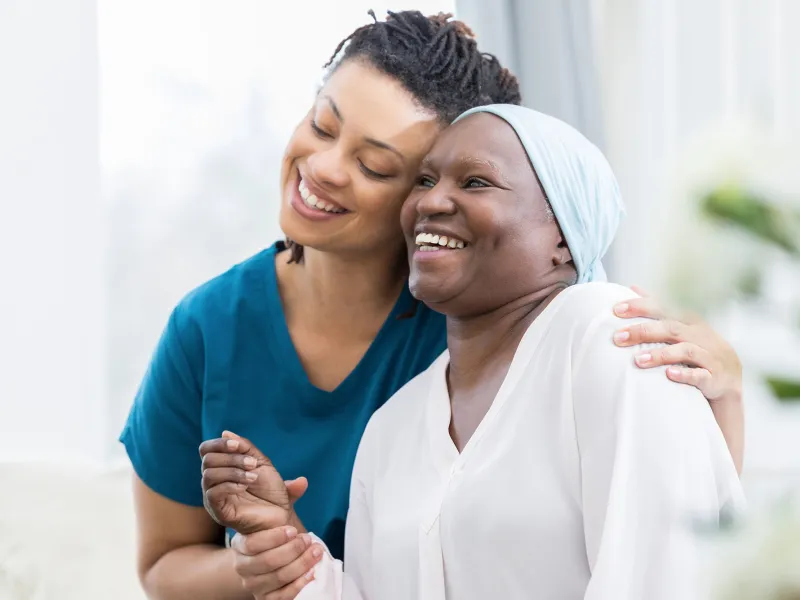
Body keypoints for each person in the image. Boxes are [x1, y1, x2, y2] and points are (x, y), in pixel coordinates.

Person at [122, 11, 743, 600]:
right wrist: (273, 548)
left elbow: (672, 528)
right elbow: (168, 565)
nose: (326, 167)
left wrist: (724, 395)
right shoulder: (392, 413)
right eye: (322, 123)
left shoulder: (531, 325)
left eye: (375, 164)